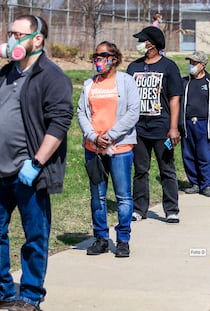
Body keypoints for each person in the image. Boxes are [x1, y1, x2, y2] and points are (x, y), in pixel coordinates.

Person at [0, 15, 73, 311]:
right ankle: (4, 291)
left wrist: (37, 161)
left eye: (19, 34)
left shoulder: (52, 76)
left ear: (38, 38)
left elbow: (59, 122)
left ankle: (30, 296)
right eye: (10, 33)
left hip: (29, 172)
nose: (12, 39)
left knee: (35, 236)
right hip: (0, 170)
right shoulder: (6, 73)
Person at [78, 41, 140, 258]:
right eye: (96, 56)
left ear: (114, 58)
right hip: (93, 149)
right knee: (98, 197)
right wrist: (94, 137)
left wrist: (110, 136)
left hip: (120, 148)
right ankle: (101, 238)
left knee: (123, 196)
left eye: (102, 56)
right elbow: (82, 114)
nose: (98, 60)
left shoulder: (126, 82)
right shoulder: (89, 84)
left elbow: (133, 112)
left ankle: (123, 240)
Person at [127, 26, 183, 223]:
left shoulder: (169, 67)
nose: (139, 44)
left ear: (152, 44)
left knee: (166, 170)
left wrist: (173, 127)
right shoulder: (133, 67)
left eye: (142, 40)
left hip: (162, 128)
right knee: (140, 170)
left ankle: (171, 209)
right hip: (139, 129)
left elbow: (175, 98)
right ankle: (139, 208)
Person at [181, 51, 210, 197]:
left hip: (204, 124)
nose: (191, 65)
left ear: (203, 65)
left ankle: (207, 184)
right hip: (187, 123)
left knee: (205, 155)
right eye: (190, 62)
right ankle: (195, 183)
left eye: (194, 63)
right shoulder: (185, 82)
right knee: (188, 154)